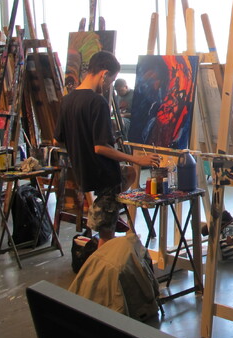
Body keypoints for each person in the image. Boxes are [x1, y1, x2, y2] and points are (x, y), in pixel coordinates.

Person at [55, 51, 160, 247]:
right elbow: (101, 147)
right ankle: (102, 262)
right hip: (104, 175)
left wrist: (80, 148)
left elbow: (58, 139)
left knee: (129, 173)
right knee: (106, 238)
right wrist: (137, 159)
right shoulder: (98, 102)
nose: (108, 87)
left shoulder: (67, 101)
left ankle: (109, 211)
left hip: (83, 172)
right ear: (104, 74)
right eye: (110, 81)